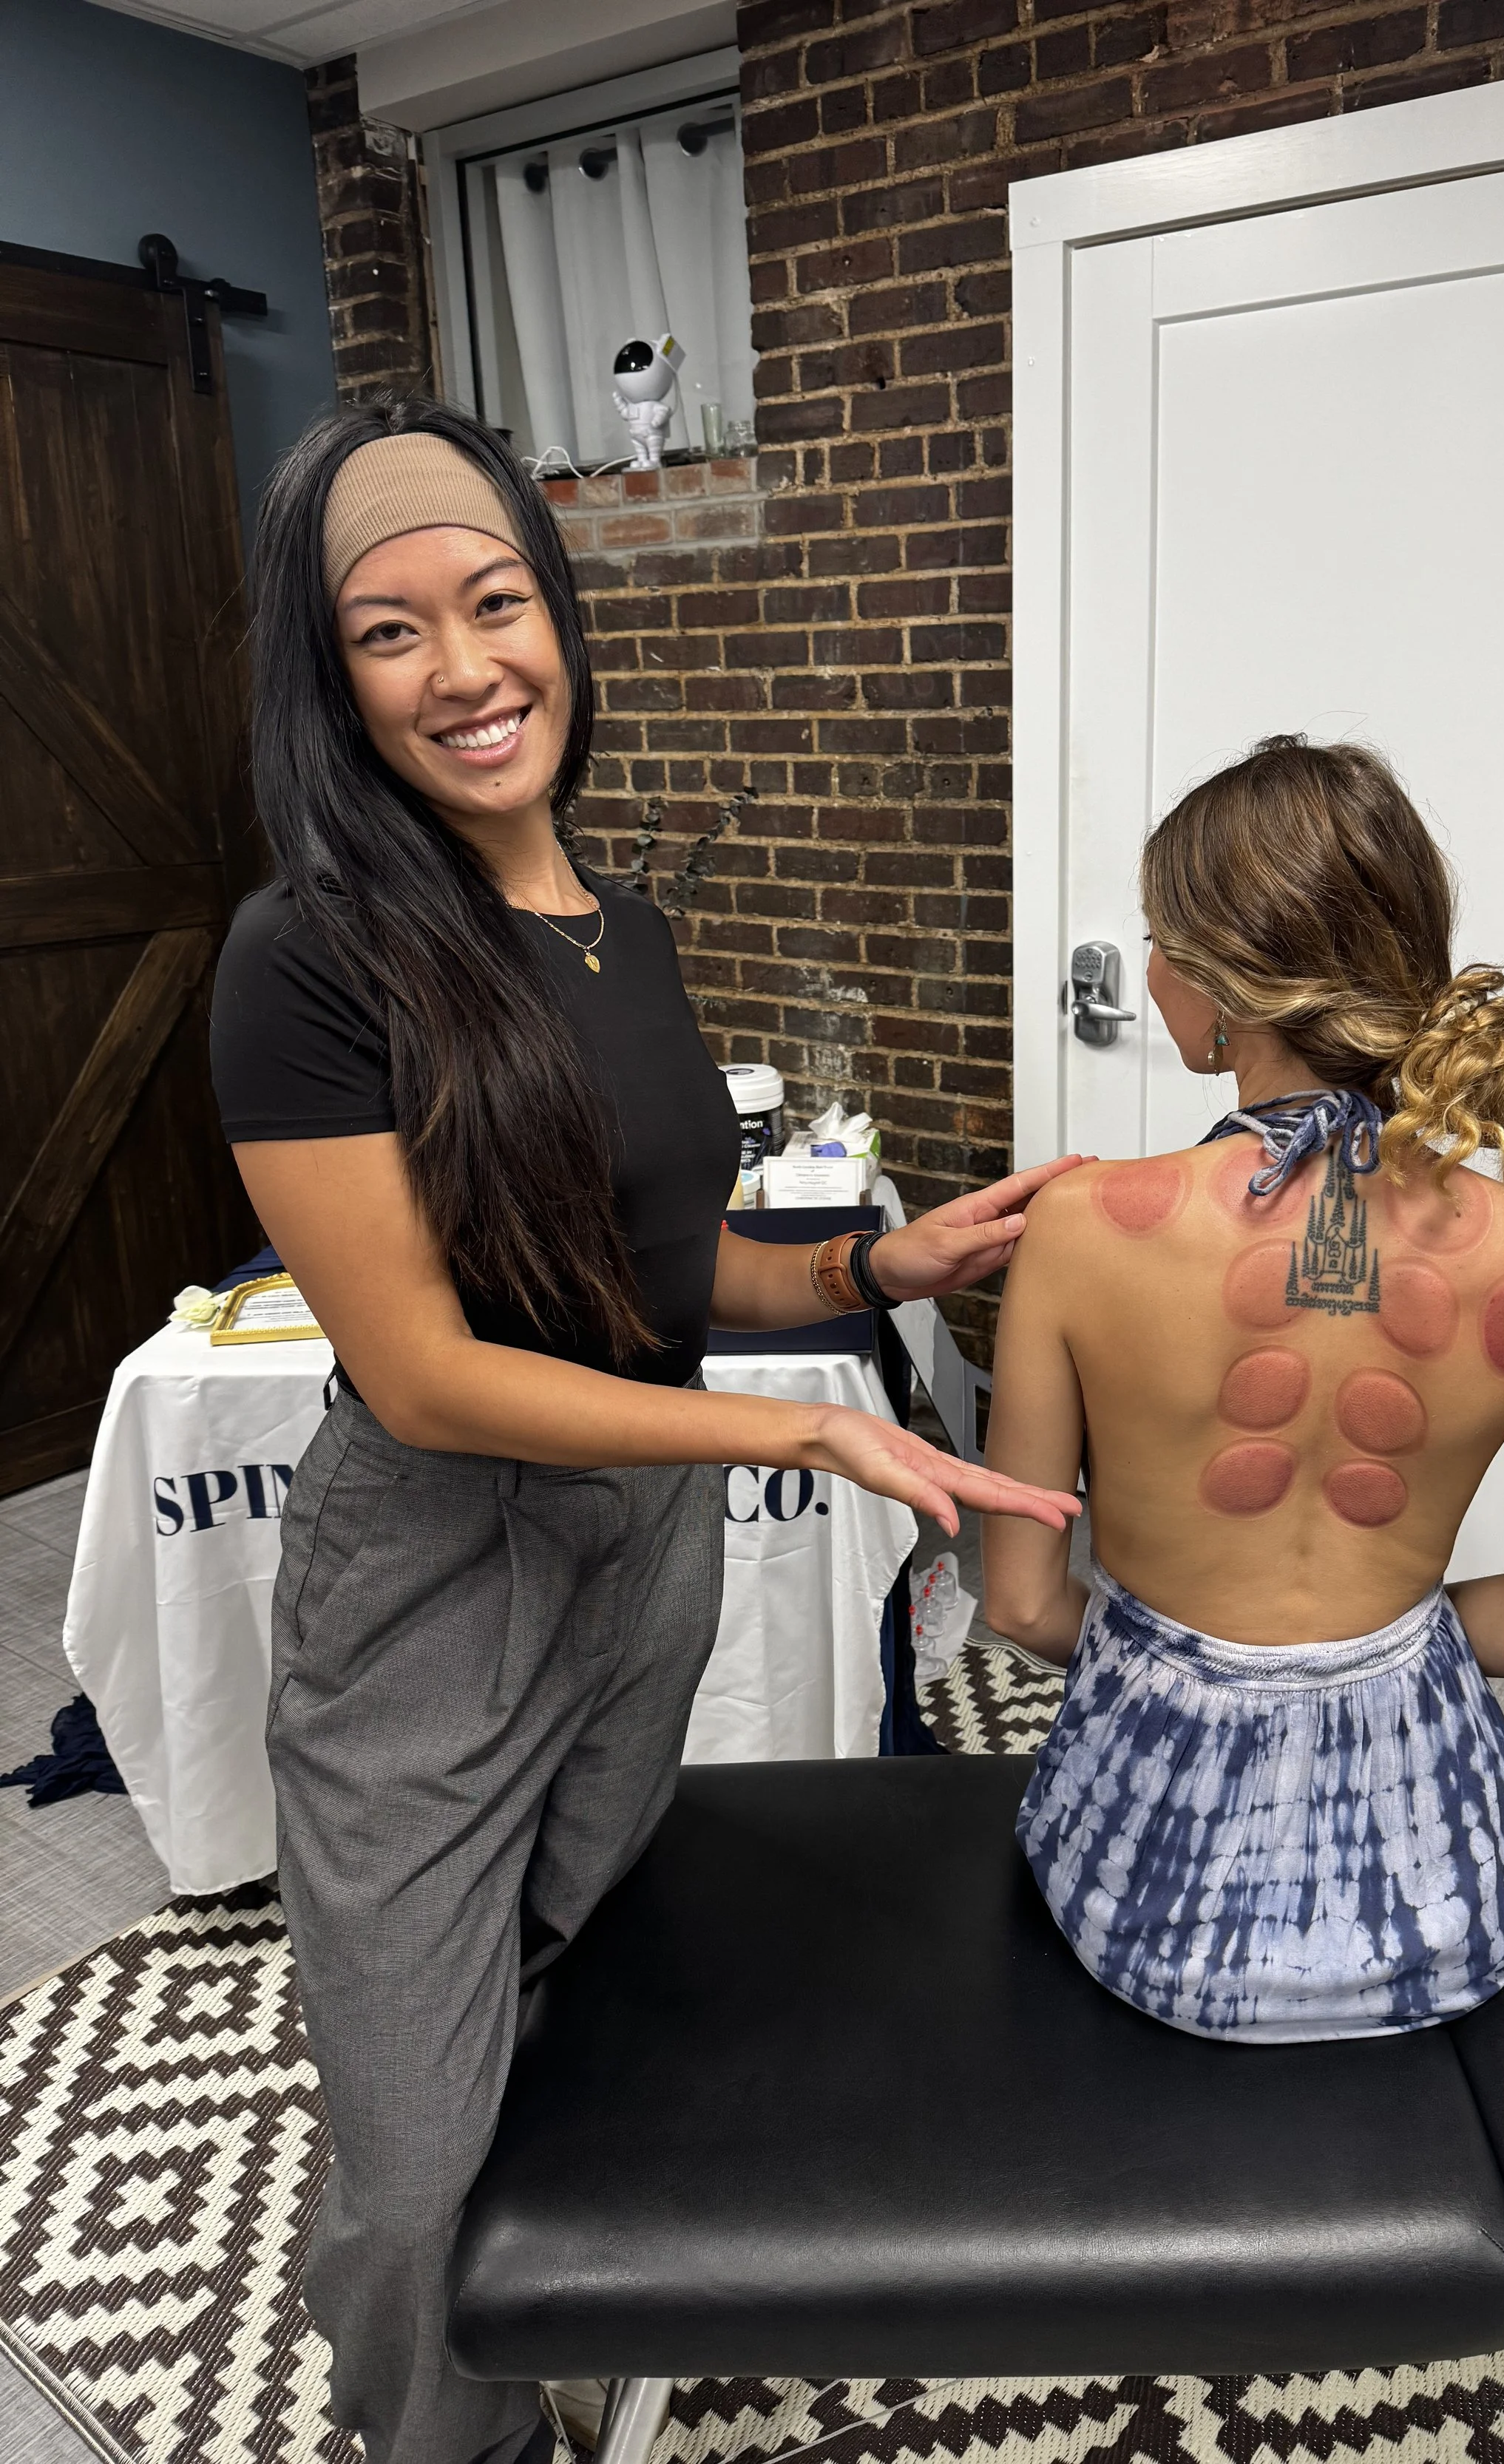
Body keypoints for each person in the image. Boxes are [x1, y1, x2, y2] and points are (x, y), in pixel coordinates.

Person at [209, 396, 1080, 2464]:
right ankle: (448, 2437)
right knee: (414, 2149)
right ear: (329, 680)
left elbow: (659, 1279)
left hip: (636, 1556)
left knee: (562, 1988)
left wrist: (875, 1269)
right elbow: (424, 1366)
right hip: (430, 1562)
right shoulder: (309, 955)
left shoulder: (626, 922)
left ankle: (551, 2319)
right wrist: (796, 1447)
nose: (464, 664)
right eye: (390, 629)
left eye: (496, 600)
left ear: (559, 618)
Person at [981, 736, 1504, 2048]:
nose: (1154, 969)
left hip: (1151, 1908)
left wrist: (1206, 1664)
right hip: (1449, 1901)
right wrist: (1365, 1656)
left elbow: (1015, 1601)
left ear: (1227, 990)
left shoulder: (1080, 1230)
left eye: (1164, 940)